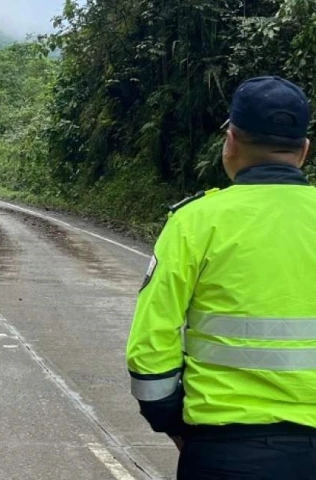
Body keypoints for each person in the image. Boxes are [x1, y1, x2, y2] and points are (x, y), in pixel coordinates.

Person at [126, 75, 315, 479]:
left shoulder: (194, 222)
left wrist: (171, 422)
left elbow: (151, 341)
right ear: (304, 149)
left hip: (225, 452)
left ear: (230, 142)